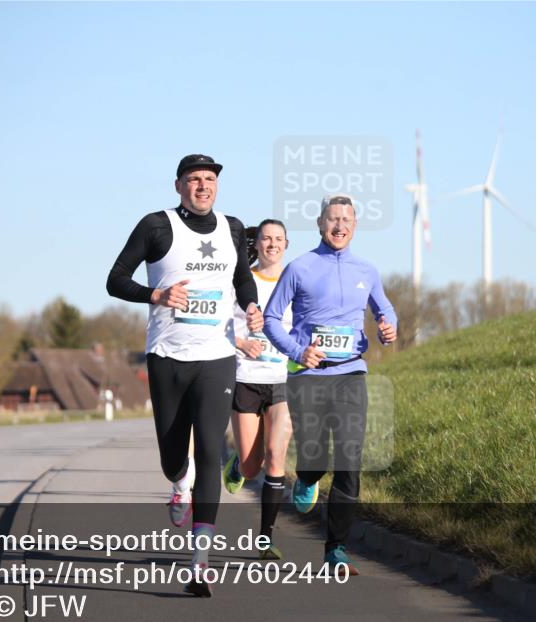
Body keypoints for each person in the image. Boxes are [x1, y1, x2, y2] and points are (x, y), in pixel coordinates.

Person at [106, 154, 263, 596]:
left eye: (209, 180)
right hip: (167, 357)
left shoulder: (233, 228)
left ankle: (200, 561)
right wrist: (155, 293)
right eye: (193, 180)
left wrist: (250, 306)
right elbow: (115, 280)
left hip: (216, 358)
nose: (202, 187)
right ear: (178, 186)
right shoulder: (156, 227)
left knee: (212, 450)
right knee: (174, 456)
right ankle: (179, 480)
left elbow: (242, 278)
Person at [263, 194, 397, 575]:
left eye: (347, 220)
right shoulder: (299, 267)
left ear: (355, 227)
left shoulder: (367, 270)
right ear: (321, 224)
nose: (340, 226)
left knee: (350, 460)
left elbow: (384, 308)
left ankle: (335, 548)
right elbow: (272, 319)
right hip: (308, 377)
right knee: (316, 457)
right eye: (333, 219)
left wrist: (389, 328)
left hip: (351, 372)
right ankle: (306, 476)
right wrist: (298, 350)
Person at [223, 219, 294, 560]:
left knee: (276, 457)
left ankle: (265, 539)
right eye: (266, 238)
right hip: (246, 378)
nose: (272, 244)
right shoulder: (241, 282)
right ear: (257, 244)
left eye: (278, 239)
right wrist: (240, 344)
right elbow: (218, 327)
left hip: (280, 380)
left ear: (286, 244)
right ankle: (238, 465)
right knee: (253, 468)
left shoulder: (295, 283)